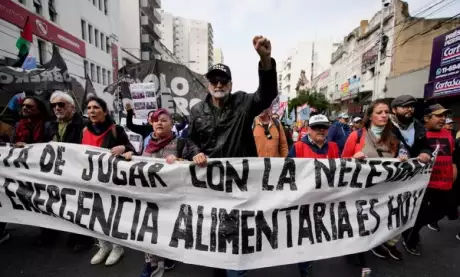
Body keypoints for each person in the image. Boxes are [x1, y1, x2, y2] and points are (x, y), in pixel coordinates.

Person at [188, 36, 278, 277]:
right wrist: (196, 152)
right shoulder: (197, 110)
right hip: (209, 185)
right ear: (208, 84)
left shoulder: (243, 102)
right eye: (214, 80)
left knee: (236, 235)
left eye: (223, 80)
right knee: (214, 234)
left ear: (230, 83)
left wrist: (265, 59)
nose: (219, 84)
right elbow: (189, 139)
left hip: (239, 185)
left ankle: (235, 269)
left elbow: (267, 94)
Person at [122, 108, 204, 277]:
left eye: (164, 120)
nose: (159, 122)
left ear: (172, 124)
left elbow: (196, 161)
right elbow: (137, 163)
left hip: (173, 200)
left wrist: (182, 161)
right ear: (151, 124)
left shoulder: (182, 143)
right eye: (156, 120)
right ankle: (151, 265)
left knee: (168, 231)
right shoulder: (146, 145)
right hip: (149, 199)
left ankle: (167, 258)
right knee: (149, 231)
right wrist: (130, 156)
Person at [342, 99, 408, 264]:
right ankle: (353, 251)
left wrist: (402, 158)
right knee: (359, 223)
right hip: (361, 191)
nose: (384, 115)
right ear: (370, 116)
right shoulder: (356, 136)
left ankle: (379, 244)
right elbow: (342, 162)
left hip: (384, 190)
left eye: (386, 112)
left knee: (379, 219)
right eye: (379, 112)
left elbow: (397, 159)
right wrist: (353, 158)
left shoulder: (393, 138)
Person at [82, 96, 135, 266]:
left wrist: (124, 148)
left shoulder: (116, 130)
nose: (92, 111)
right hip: (89, 180)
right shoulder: (83, 131)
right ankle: (103, 246)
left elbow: (132, 150)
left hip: (111, 181)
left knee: (112, 214)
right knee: (93, 214)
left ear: (105, 111)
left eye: (96, 107)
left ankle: (117, 247)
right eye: (89, 108)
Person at [402, 104, 457, 256]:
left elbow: (452, 156)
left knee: (441, 211)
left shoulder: (448, 134)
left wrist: (453, 170)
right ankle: (410, 238)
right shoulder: (418, 135)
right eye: (438, 115)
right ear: (426, 118)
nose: (443, 119)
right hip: (424, 184)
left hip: (445, 182)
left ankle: (412, 228)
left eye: (444, 115)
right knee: (418, 212)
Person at [43, 91, 95, 251]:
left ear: (72, 107)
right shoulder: (49, 125)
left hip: (77, 173)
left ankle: (81, 239)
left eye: (61, 104)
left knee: (77, 205)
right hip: (55, 173)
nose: (57, 108)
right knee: (51, 202)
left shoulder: (86, 124)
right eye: (54, 105)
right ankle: (50, 234)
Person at [287, 113, 338, 277]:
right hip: (304, 201)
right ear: (309, 129)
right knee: (304, 235)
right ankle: (303, 267)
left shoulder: (334, 147)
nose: (321, 130)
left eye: (324, 127)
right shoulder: (298, 147)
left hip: (326, 200)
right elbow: (288, 172)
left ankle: (309, 259)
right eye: (317, 127)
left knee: (317, 233)